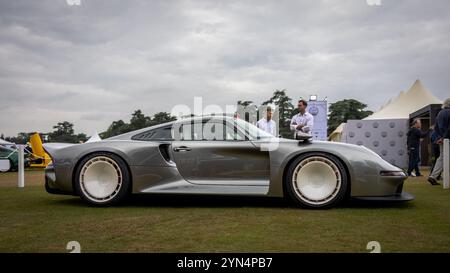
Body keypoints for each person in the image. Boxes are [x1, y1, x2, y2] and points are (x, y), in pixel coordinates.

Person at [428, 98, 450, 185]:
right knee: (442, 157)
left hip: (441, 139)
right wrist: (444, 137)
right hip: (447, 138)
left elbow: (436, 128)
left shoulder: (440, 113)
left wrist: (439, 138)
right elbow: (449, 128)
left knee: (441, 157)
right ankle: (434, 176)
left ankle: (433, 176)